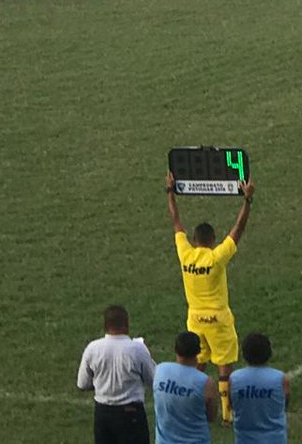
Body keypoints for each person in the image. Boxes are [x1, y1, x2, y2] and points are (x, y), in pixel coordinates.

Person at [166, 170, 256, 425]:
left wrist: (170, 192)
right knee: (225, 367)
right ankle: (227, 414)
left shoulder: (186, 255)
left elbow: (175, 221)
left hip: (195, 318)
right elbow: (238, 230)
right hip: (218, 317)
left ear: (194, 241)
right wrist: (247, 201)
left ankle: (192, 408)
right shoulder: (217, 258)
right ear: (213, 240)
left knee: (197, 365)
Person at [77, 305, 156, 444]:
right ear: (126, 324)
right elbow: (154, 380)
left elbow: (82, 384)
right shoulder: (137, 349)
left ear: (105, 326)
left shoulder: (93, 348)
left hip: (103, 414)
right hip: (131, 414)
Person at [153, 331, 218, 444]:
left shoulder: (160, 370)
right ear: (198, 351)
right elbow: (211, 416)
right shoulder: (206, 383)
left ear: (175, 349)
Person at [231, 332, 289, 444]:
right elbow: (284, 404)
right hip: (275, 438)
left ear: (243, 354)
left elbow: (232, 403)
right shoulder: (280, 378)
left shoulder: (234, 378)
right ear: (269, 353)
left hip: (244, 439)